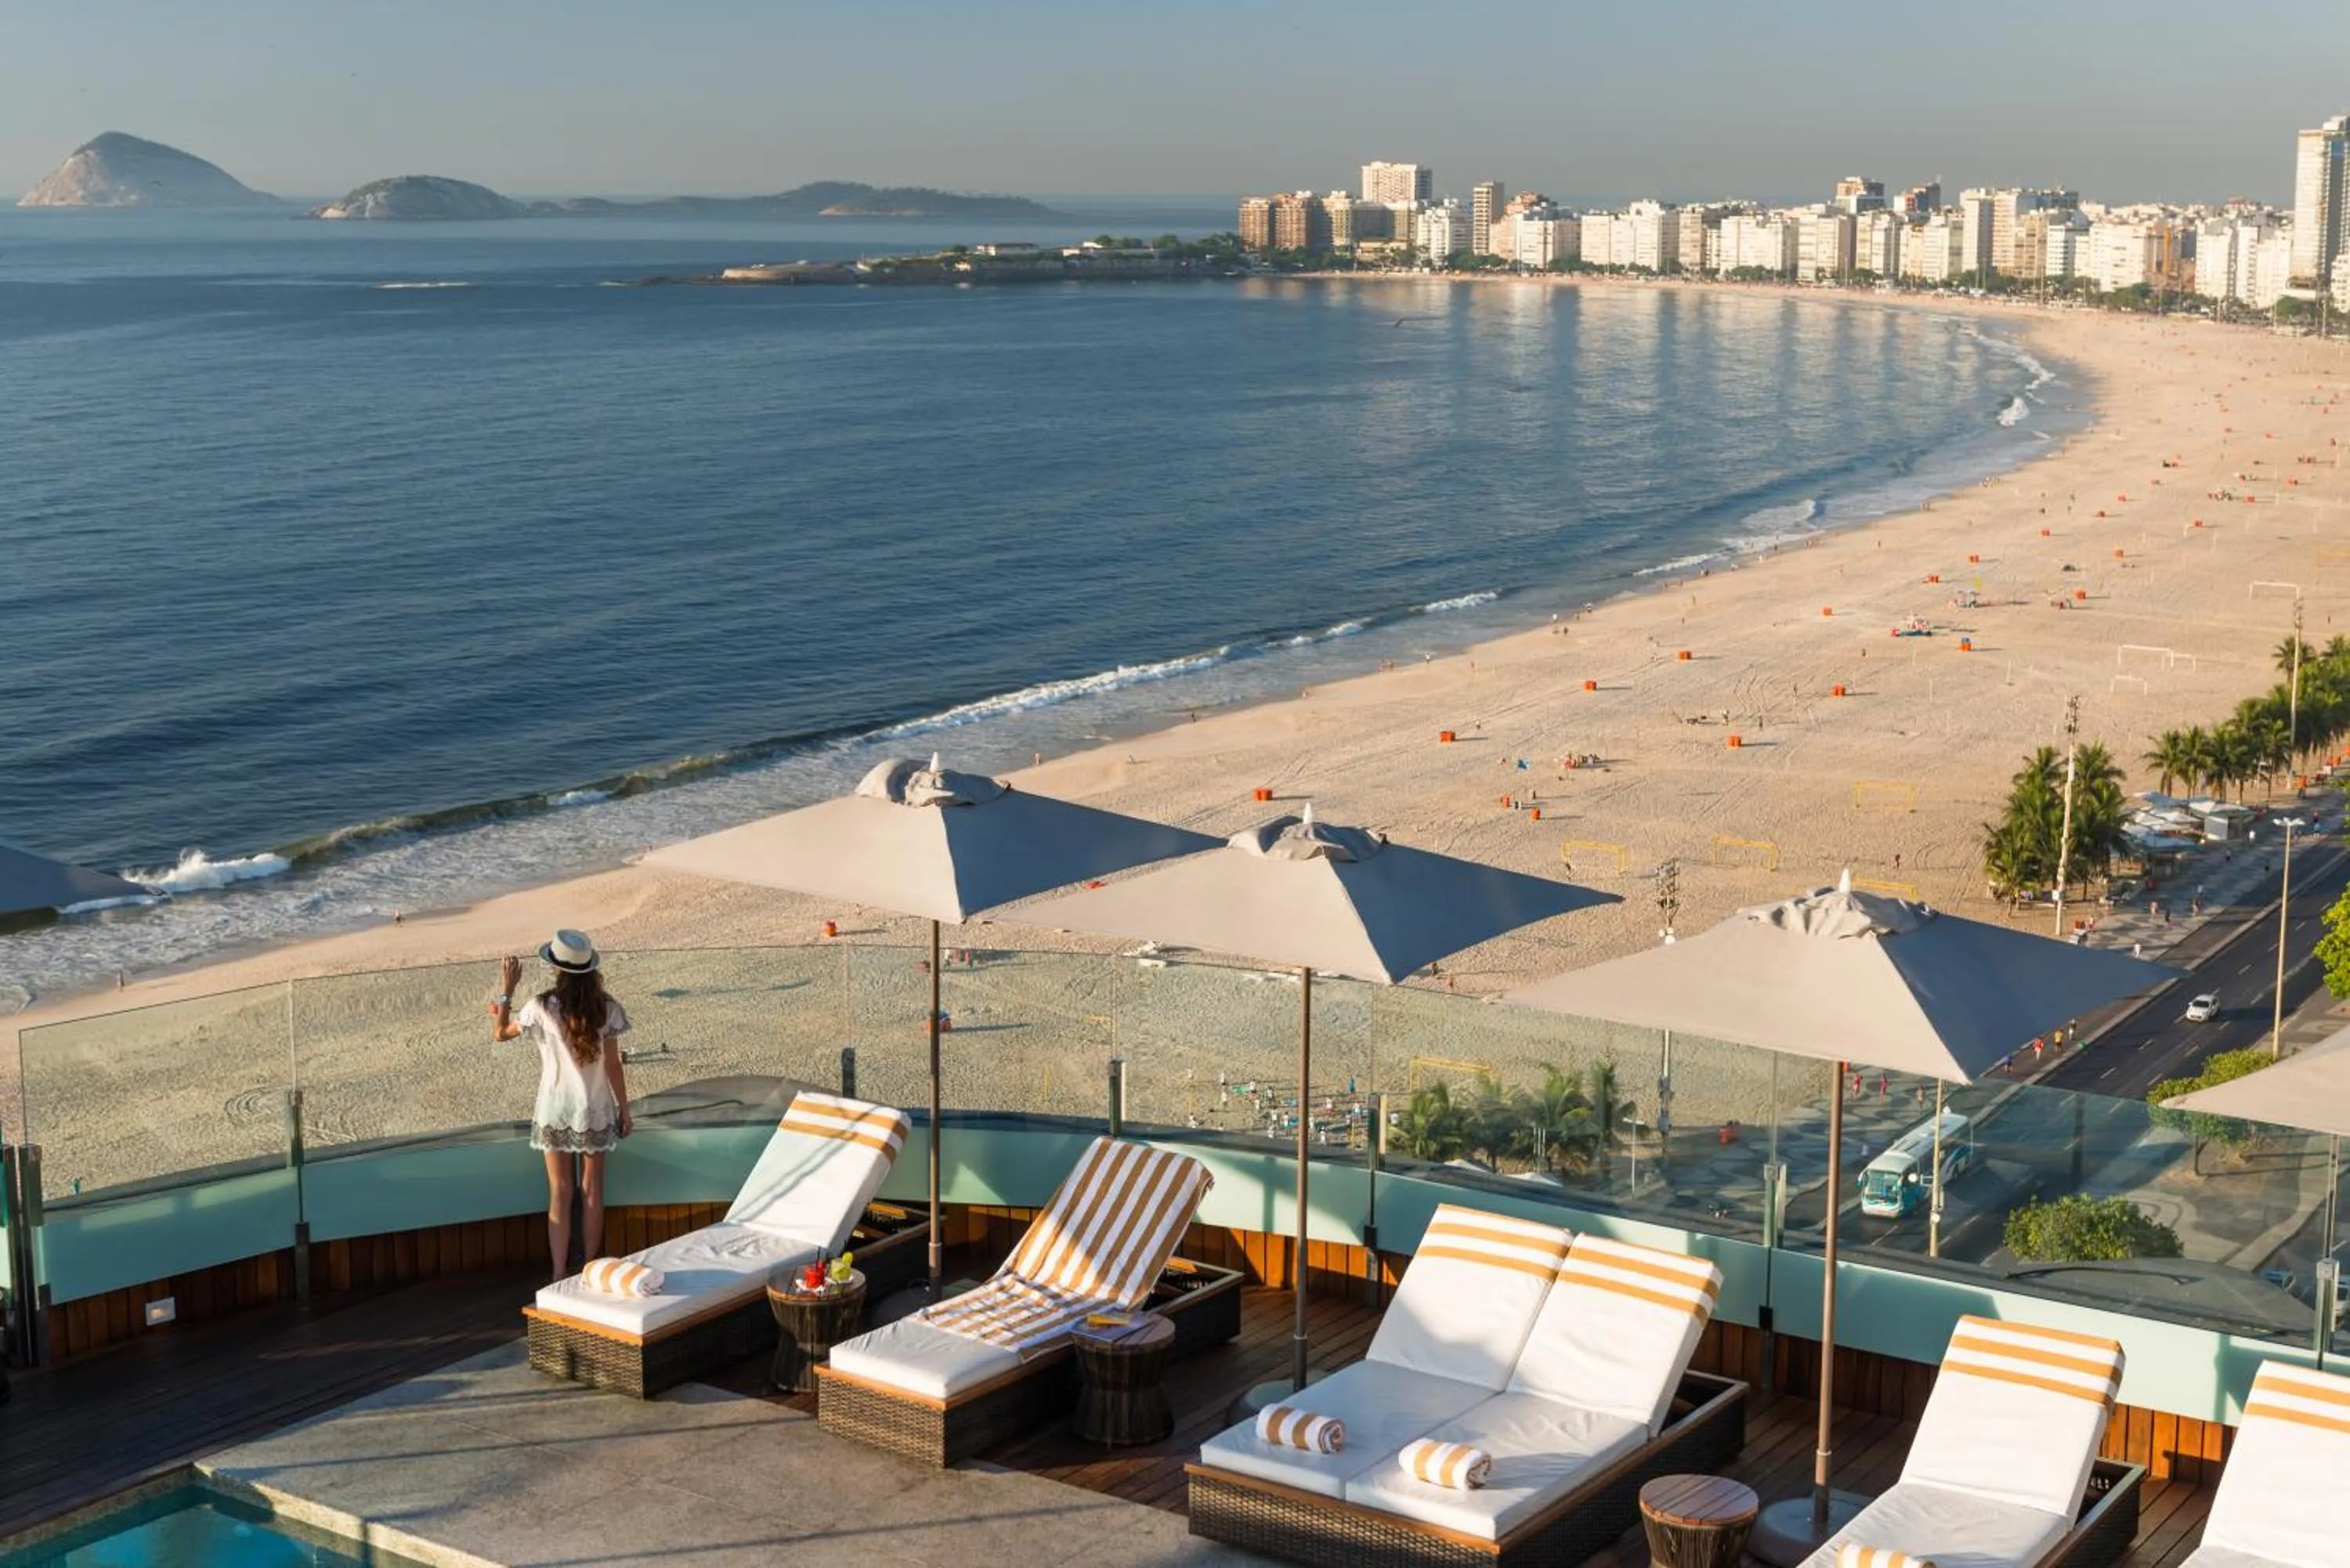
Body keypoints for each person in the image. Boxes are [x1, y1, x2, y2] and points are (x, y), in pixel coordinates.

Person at [492, 930, 633, 1281]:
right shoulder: (608, 1009)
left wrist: (507, 990)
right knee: (592, 1192)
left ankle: (557, 1275)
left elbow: (500, 1033)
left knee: (560, 1192)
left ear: (555, 968)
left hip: (554, 1111)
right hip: (595, 1110)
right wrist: (624, 1109)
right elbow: (613, 1067)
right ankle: (587, 1272)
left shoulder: (540, 1007)